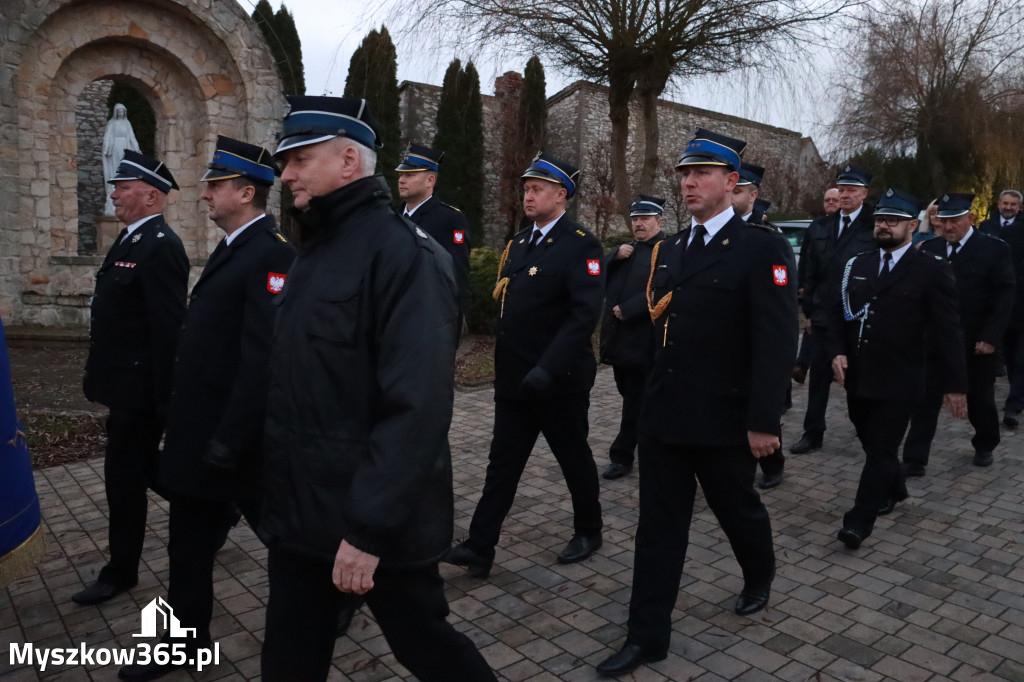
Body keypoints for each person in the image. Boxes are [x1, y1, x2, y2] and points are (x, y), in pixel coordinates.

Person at [257, 96, 494, 682]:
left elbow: (416, 407)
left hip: (370, 523)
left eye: (297, 160)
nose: (284, 174)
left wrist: (367, 531)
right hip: (303, 514)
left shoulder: (404, 256)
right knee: (288, 657)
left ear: (347, 161)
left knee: (428, 647)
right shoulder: (315, 248)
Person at [596, 129, 797, 677]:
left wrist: (763, 420)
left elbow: (776, 341)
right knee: (658, 528)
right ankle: (646, 637)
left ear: (732, 183)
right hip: (665, 415)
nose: (688, 182)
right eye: (685, 174)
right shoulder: (673, 248)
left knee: (737, 510)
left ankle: (759, 571)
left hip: (724, 417)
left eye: (702, 173)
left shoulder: (762, 248)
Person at [116, 137, 295, 680]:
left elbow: (261, 360)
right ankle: (185, 639)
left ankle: (346, 593)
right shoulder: (233, 247)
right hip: (204, 433)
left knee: (286, 536)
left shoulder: (272, 253)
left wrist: (229, 439)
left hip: (237, 439)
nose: (203, 196)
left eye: (214, 186)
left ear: (246, 191)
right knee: (188, 543)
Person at [445, 152, 604, 578]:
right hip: (515, 379)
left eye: (536, 189)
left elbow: (583, 315)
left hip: (558, 381)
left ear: (561, 194)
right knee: (502, 463)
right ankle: (481, 546)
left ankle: (589, 529)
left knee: (573, 458)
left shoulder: (581, 243)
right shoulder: (519, 242)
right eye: (526, 188)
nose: (528, 195)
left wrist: (548, 368)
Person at [74, 150, 189, 605]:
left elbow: (168, 330)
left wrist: (166, 400)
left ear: (151, 195)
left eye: (122, 187)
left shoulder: (162, 245)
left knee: (123, 479)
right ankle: (217, 506)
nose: (114, 193)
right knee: (136, 471)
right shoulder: (129, 239)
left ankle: (120, 571)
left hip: (141, 392)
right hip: (121, 385)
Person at [829, 189, 968, 550]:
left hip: (901, 377)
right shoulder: (857, 265)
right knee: (871, 442)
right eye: (880, 220)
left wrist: (955, 385)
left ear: (911, 225)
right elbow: (837, 317)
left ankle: (858, 522)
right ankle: (896, 488)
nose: (884, 226)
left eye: (892, 221)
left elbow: (948, 330)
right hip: (859, 375)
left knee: (880, 449)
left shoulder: (931, 270)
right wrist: (837, 353)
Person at [900, 193, 1015, 475]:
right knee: (924, 402)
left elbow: (1004, 297)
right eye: (944, 220)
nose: (948, 227)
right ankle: (915, 459)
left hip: (975, 343)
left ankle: (985, 443)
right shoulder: (930, 249)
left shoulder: (992, 249)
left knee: (980, 401)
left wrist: (991, 338)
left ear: (970, 219)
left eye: (955, 221)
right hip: (935, 343)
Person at [792, 165, 876, 454]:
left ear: (864, 193)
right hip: (824, 316)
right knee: (818, 381)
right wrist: (809, 309)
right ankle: (812, 432)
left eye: (852, 190)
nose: (845, 195)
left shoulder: (873, 224)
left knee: (859, 381)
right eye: (841, 189)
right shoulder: (821, 226)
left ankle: (869, 432)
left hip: (858, 318)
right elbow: (807, 272)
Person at [598, 195, 667, 480]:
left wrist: (631, 308)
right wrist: (613, 255)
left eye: (645, 219)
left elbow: (665, 290)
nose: (639, 224)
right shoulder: (628, 250)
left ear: (658, 221)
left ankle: (622, 456)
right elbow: (595, 275)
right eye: (636, 219)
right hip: (618, 342)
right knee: (634, 399)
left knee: (635, 403)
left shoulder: (666, 250)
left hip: (645, 341)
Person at [732, 164, 791, 489]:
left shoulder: (768, 240)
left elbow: (777, 316)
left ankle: (772, 463)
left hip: (756, 342)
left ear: (753, 196)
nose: (732, 196)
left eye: (739, 191)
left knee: (760, 403)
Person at [395, 142, 471, 333]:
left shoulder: (449, 219)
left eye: (410, 175)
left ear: (430, 181)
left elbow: (457, 276)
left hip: (428, 322)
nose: (402, 180)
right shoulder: (392, 215)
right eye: (401, 174)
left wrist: (450, 330)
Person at [793, 188, 842, 384]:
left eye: (834, 200)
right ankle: (803, 365)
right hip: (817, 287)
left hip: (838, 288)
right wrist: (802, 284)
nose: (830, 203)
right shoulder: (816, 226)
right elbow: (806, 256)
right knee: (812, 325)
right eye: (827, 200)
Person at [1002, 214, 1024, 428]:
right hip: (1011, 305)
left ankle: (1013, 405)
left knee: (1021, 360)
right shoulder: (1011, 232)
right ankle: (1016, 395)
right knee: (1010, 357)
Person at [102, 103, 141, 215]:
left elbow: (132, 137)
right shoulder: (112, 123)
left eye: (122, 111)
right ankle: (112, 197)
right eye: (119, 111)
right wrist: (106, 147)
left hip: (125, 147)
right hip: (115, 148)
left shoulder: (127, 123)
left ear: (125, 112)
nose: (120, 113)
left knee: (125, 170)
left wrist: (136, 148)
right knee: (115, 170)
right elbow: (108, 136)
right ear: (116, 112)